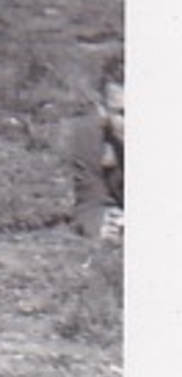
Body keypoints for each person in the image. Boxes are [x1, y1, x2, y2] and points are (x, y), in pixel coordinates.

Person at [68, 54, 124, 243]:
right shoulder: (90, 138)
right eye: (122, 113)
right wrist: (103, 224)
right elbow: (89, 201)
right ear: (103, 111)